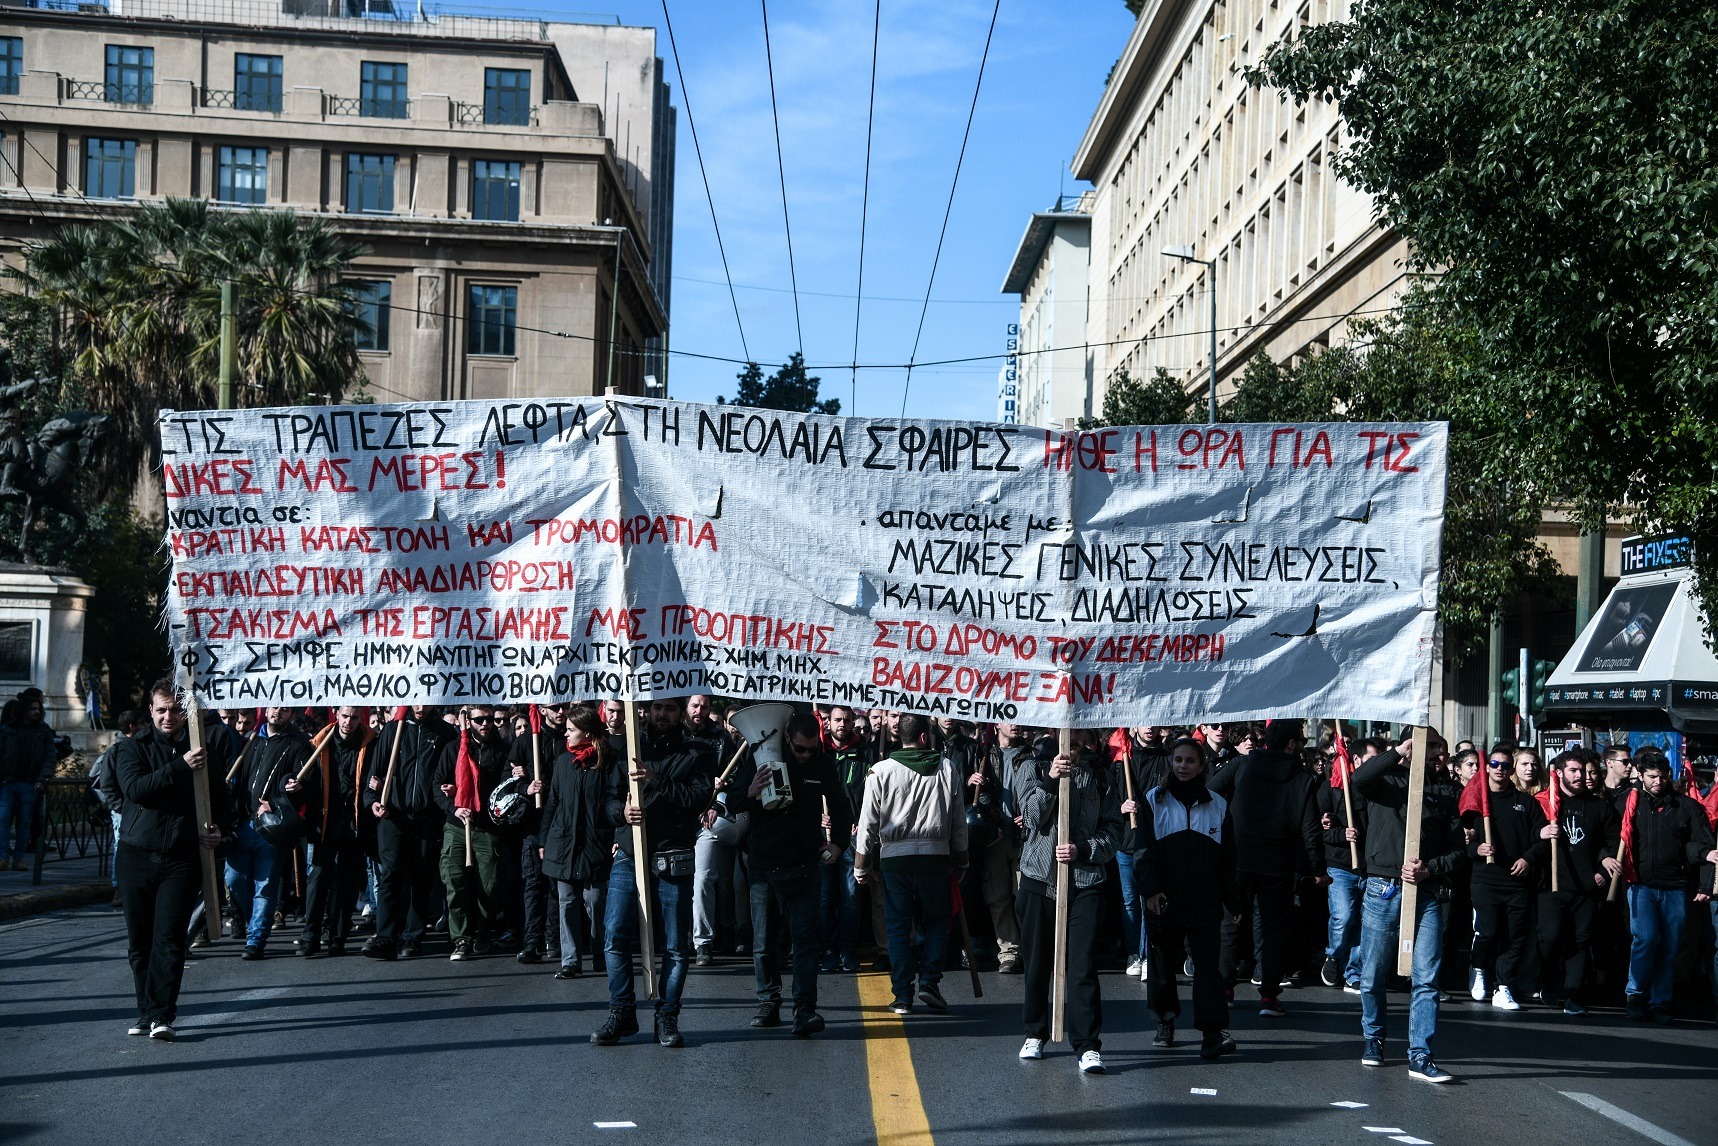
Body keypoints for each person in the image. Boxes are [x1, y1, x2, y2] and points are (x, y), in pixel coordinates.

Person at [112, 678, 235, 1039]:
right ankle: (144, 1013)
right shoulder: (131, 748)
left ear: (188, 713)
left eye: (176, 710)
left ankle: (162, 1015)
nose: (169, 716)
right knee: (140, 943)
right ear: (150, 711)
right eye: (162, 709)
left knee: (168, 939)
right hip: (136, 855)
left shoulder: (203, 750)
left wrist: (220, 831)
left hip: (181, 859)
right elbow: (136, 789)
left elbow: (223, 802)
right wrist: (181, 765)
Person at [594, 696, 714, 1048]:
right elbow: (608, 800)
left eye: (670, 708)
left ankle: (667, 1017)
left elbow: (698, 799)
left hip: (672, 858)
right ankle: (622, 1012)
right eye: (657, 707)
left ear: (680, 713)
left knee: (676, 945)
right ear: (646, 710)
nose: (662, 714)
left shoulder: (697, 752)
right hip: (630, 856)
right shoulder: (630, 747)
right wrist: (622, 811)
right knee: (614, 935)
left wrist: (657, 779)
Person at [1350, 732, 1466, 1083]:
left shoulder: (1447, 793)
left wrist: (1430, 868)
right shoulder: (1386, 781)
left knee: (1427, 977)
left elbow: (1458, 850)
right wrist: (1399, 751)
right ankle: (1374, 1038)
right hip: (1383, 888)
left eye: (1442, 751)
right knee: (1372, 973)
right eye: (1430, 747)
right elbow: (1359, 778)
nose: (1439, 756)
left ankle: (1420, 1054)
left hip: (1427, 891)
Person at [1012, 728, 1124, 1074]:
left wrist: (1085, 850)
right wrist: (1049, 780)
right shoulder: (1031, 767)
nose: (1071, 740)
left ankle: (1087, 1045)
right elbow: (1030, 818)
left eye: (1078, 734)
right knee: (1037, 962)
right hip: (1039, 880)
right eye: (1066, 733)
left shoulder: (1102, 776)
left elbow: (1113, 831)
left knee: (1082, 967)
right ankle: (1034, 1033)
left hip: (1085, 882)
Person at [731, 712, 849, 1036]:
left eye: (812, 749)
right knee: (764, 942)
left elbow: (840, 805)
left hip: (804, 864)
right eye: (800, 749)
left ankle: (804, 1009)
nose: (806, 755)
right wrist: (751, 792)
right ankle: (768, 1002)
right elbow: (732, 801)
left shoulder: (823, 765)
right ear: (787, 739)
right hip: (763, 865)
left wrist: (839, 843)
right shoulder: (760, 758)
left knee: (806, 942)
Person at [854, 712, 968, 1017]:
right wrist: (961, 860)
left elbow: (867, 824)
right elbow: (958, 822)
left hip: (895, 859)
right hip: (935, 857)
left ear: (898, 737)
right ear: (922, 738)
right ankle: (929, 981)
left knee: (898, 926)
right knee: (936, 922)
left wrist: (861, 865)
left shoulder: (880, 771)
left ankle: (902, 994)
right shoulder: (948, 768)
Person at [1134, 736, 1240, 1059]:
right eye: (1178, 760)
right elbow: (1144, 852)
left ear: (1201, 765)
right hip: (1164, 899)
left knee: (1208, 967)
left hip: (1205, 900)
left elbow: (1228, 860)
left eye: (1190, 761)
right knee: (1163, 963)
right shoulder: (1155, 800)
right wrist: (1150, 890)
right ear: (1171, 762)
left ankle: (1212, 1032)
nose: (1183, 766)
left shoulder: (1219, 806)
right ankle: (1165, 1022)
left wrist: (1233, 902)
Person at [1208, 719, 1323, 1018]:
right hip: (1278, 864)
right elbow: (1311, 829)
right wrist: (1319, 869)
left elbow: (1210, 792)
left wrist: (1229, 822)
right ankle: (1268, 996)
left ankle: (1224, 987)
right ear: (1290, 744)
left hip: (1239, 858)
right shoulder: (1303, 777)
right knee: (1274, 931)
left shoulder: (1242, 765)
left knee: (1231, 924)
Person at [1616, 750, 1716, 1023]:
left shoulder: (1686, 807)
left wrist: (1705, 885)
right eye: (1651, 776)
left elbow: (1705, 847)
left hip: (1675, 886)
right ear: (1640, 775)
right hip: (1640, 885)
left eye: (1662, 776)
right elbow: (1610, 836)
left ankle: (1660, 1001)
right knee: (1645, 939)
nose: (1658, 781)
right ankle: (1635, 994)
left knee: (1670, 946)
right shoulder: (1626, 802)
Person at [1535, 749, 1622, 1015]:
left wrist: (1603, 870)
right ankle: (1549, 982)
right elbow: (1526, 837)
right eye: (1573, 771)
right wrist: (1540, 832)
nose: (1580, 776)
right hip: (1552, 885)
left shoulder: (1599, 806)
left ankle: (1574, 995)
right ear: (1559, 773)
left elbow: (1612, 842)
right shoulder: (1545, 803)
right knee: (1549, 938)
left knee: (1580, 941)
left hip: (1586, 887)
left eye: (1582, 771)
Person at [363, 705, 453, 960]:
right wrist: (373, 802)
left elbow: (452, 771)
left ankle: (413, 937)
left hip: (427, 818)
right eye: (415, 701)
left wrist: (450, 788)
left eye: (426, 701)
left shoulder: (445, 733)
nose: (421, 708)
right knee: (390, 875)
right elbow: (373, 776)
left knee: (420, 878)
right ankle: (385, 935)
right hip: (394, 816)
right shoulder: (393, 730)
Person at [1462, 749, 1548, 1009]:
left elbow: (1541, 839)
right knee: (1487, 931)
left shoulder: (1526, 802)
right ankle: (1477, 968)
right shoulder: (1475, 803)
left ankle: (1503, 986)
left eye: (1505, 765)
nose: (1500, 768)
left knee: (1514, 936)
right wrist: (1475, 849)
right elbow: (1459, 840)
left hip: (1517, 880)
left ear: (1512, 770)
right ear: (1487, 767)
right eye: (1495, 764)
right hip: (1485, 878)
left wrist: (1528, 860)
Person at [536, 703, 613, 980]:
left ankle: (601, 952)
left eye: (571, 730)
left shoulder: (608, 761)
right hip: (563, 843)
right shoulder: (562, 761)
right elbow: (553, 802)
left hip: (594, 844)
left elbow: (612, 802)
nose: (566, 735)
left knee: (595, 900)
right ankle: (570, 961)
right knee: (566, 901)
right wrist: (544, 839)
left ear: (588, 732)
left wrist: (615, 836)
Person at [227, 706, 311, 960]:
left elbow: (306, 786)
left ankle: (256, 939)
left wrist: (282, 798)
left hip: (272, 827)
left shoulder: (299, 745)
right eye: (275, 707)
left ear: (292, 715)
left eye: (285, 709)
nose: (278, 712)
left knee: (264, 885)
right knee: (234, 878)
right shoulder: (251, 739)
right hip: (242, 824)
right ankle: (256, 917)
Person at [434, 704, 511, 961]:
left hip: (487, 828)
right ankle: (461, 939)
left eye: (490, 719)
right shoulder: (453, 749)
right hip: (457, 827)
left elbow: (507, 787)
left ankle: (483, 931)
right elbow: (436, 785)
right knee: (455, 882)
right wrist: (453, 806)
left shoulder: (502, 751)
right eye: (479, 719)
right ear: (467, 721)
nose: (486, 724)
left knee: (488, 886)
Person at [297, 706, 374, 957]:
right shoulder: (318, 744)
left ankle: (338, 937)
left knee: (347, 883)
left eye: (353, 718)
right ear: (336, 715)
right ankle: (311, 937)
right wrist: (293, 787)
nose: (348, 723)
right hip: (325, 822)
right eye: (344, 716)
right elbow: (307, 782)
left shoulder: (371, 743)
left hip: (353, 824)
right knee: (318, 880)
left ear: (360, 718)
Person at [687, 694, 740, 966]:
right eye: (694, 706)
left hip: (707, 820)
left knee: (704, 877)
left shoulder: (721, 740)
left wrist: (718, 805)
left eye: (704, 706)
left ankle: (703, 942)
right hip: (678, 819)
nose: (699, 710)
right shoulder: (674, 735)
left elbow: (734, 777)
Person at [513, 702, 567, 965]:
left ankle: (555, 939)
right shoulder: (526, 741)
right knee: (534, 883)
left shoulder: (572, 737)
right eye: (555, 708)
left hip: (563, 824)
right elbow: (507, 780)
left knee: (559, 885)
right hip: (534, 823)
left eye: (564, 706)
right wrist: (525, 786)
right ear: (542, 710)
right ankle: (532, 941)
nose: (561, 712)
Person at [1117, 725, 1171, 981]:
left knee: (1149, 898)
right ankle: (1133, 953)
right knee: (1130, 901)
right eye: (1143, 721)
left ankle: (1149, 954)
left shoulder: (1168, 759)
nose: (1149, 727)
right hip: (1127, 841)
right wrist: (1121, 806)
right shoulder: (1123, 760)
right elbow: (1108, 801)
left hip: (1155, 842)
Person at [1319, 735, 1373, 993]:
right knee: (1343, 916)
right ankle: (1333, 955)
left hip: (1371, 866)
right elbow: (1319, 829)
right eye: (1372, 759)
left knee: (1365, 922)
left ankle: (1355, 972)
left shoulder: (1380, 788)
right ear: (1357, 759)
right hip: (1341, 866)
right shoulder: (1332, 787)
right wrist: (1342, 834)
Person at [822, 704, 873, 973]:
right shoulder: (819, 753)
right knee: (825, 896)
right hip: (823, 837)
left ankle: (847, 949)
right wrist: (817, 816)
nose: (842, 724)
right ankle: (829, 950)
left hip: (853, 836)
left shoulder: (865, 754)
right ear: (828, 722)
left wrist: (862, 820)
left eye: (847, 719)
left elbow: (873, 793)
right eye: (837, 719)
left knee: (851, 896)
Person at [0, 688, 62, 870]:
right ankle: (3, 857)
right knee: (3, 821)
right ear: (23, 710)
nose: (36, 711)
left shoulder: (43, 731)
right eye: (32, 709)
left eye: (38, 708)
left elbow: (50, 757)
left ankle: (18, 858)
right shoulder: (7, 729)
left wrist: (43, 778)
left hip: (30, 783)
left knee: (23, 823)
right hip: (7, 783)